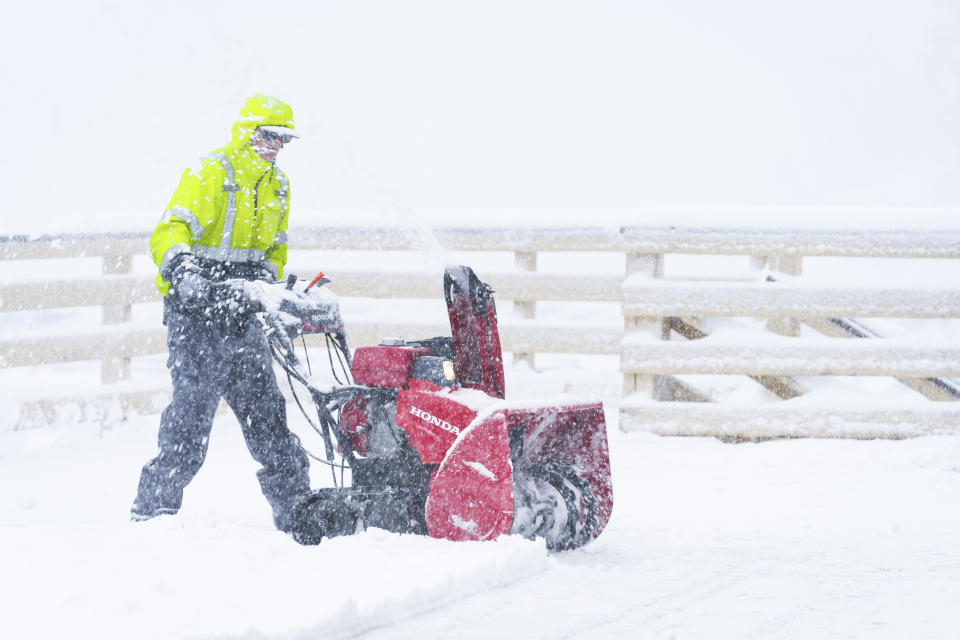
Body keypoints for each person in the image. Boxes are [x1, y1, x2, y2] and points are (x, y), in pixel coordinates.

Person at [131, 94, 311, 533]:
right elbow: (168, 231)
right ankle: (152, 512)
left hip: (241, 314)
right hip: (196, 316)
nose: (275, 146)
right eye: (269, 136)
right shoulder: (211, 172)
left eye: (283, 140)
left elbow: (275, 249)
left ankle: (300, 513)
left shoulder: (278, 185)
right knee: (190, 420)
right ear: (248, 132)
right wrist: (184, 269)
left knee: (267, 417)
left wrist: (266, 285)